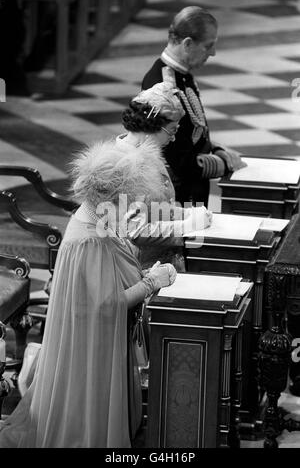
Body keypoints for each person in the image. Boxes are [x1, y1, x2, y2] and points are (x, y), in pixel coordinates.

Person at [0, 140, 177, 448]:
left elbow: (112, 269)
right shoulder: (91, 239)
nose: (132, 203)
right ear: (112, 193)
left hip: (89, 333)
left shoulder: (95, 215)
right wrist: (153, 282)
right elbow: (108, 305)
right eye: (129, 198)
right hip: (92, 341)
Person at [142, 6, 247, 207]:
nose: (213, 53)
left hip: (192, 189)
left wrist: (216, 150)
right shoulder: (162, 84)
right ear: (188, 43)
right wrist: (224, 165)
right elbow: (175, 158)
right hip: (177, 196)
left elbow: (192, 132)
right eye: (208, 46)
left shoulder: (181, 75)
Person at [117, 81, 213, 270]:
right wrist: (186, 226)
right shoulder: (128, 165)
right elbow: (134, 230)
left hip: (159, 262)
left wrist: (186, 213)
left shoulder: (147, 152)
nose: (174, 137)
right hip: (139, 269)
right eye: (173, 130)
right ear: (153, 125)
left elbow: (154, 208)